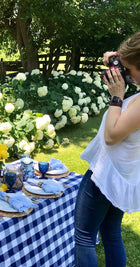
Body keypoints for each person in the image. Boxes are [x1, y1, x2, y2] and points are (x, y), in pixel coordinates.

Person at [74, 32, 140, 267]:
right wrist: (117, 61)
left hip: (105, 175)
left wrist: (116, 96)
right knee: (111, 232)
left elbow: (112, 135)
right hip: (121, 175)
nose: (127, 76)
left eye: (129, 70)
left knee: (84, 237)